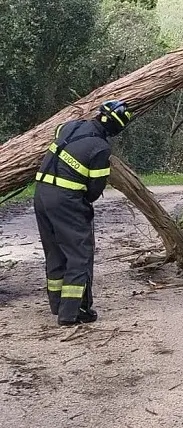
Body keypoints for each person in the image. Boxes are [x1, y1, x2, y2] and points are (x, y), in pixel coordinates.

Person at [33, 99, 133, 327]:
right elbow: (94, 189)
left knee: (55, 250)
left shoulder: (71, 126)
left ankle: (57, 304)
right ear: (117, 128)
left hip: (41, 193)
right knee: (79, 253)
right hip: (65, 200)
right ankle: (73, 312)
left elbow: (58, 139)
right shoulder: (101, 148)